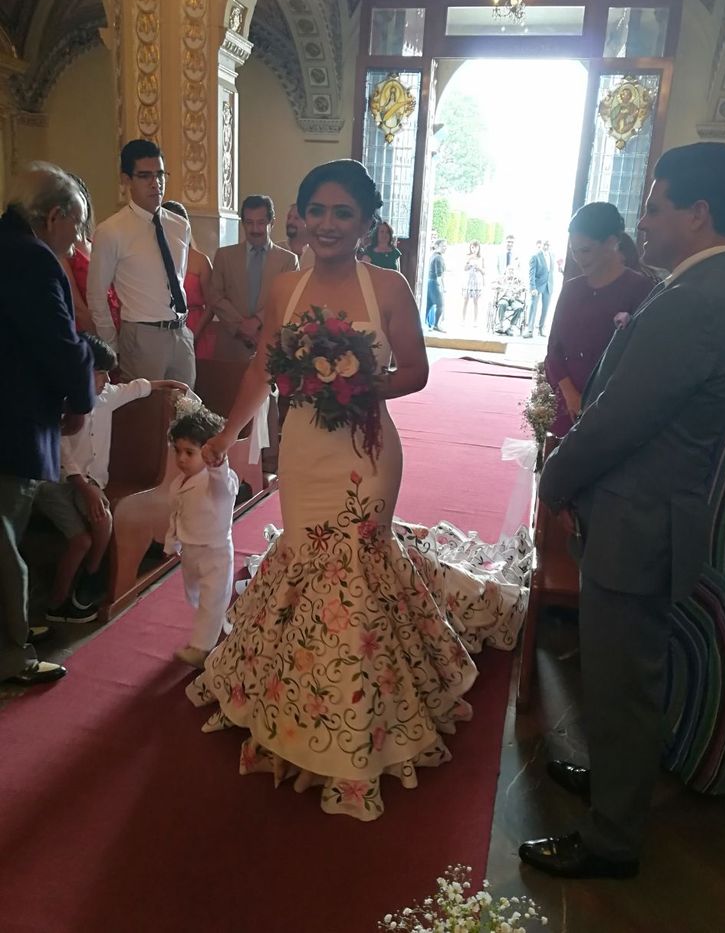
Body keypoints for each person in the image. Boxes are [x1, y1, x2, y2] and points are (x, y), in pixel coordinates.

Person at [184, 159, 523, 820]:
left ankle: (356, 725)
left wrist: (355, 384)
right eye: (319, 211)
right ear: (301, 217)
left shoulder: (389, 286)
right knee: (308, 566)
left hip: (367, 451)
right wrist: (229, 430)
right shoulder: (285, 287)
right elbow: (261, 364)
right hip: (305, 449)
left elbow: (417, 371)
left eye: (344, 213)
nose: (330, 224)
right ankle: (301, 706)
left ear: (367, 224)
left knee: (359, 571)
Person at [519, 142, 725, 878]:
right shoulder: (702, 285)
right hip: (648, 510)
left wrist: (554, 478)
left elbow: (618, 419)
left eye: (654, 205)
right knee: (620, 676)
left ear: (698, 212)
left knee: (621, 683)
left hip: (638, 519)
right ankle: (614, 782)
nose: (643, 221)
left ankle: (612, 837)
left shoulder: (698, 298)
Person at [0, 162, 95, 686]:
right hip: (10, 423)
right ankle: (11, 655)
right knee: (4, 546)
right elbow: (60, 345)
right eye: (75, 227)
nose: (76, 240)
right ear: (54, 215)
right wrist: (80, 397)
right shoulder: (32, 259)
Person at [34, 334, 187, 624]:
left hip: (89, 484)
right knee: (80, 540)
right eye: (99, 372)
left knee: (103, 520)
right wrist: (87, 489)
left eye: (107, 373)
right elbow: (62, 453)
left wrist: (167, 385)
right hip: (56, 482)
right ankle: (56, 604)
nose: (106, 379)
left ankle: (90, 578)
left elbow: (134, 389)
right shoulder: (59, 404)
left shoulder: (105, 397)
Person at [87, 138, 195, 386]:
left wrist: (185, 333)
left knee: (188, 415)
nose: (155, 183)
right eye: (145, 176)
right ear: (126, 180)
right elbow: (96, 294)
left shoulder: (179, 225)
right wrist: (111, 344)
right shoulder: (112, 231)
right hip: (142, 333)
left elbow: (177, 279)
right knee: (147, 417)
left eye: (160, 174)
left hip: (180, 331)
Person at [544, 204, 654, 436]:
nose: (579, 259)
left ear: (612, 242)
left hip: (613, 411)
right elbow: (554, 351)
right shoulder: (571, 289)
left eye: (586, 251)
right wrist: (571, 395)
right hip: (568, 407)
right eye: (574, 251)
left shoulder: (641, 289)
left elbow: (641, 362)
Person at [165, 405, 239, 669]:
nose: (182, 459)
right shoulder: (178, 484)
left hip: (215, 552)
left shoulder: (218, 482)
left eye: (190, 452)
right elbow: (176, 515)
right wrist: (171, 540)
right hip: (190, 551)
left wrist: (218, 462)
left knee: (211, 598)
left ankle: (200, 649)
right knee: (197, 596)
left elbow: (224, 484)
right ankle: (221, 628)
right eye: (178, 451)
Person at [210, 195, 298, 361]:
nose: (255, 229)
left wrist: (257, 321)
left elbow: (286, 299)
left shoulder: (288, 260)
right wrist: (241, 326)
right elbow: (215, 296)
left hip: (270, 344)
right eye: (249, 222)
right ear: (243, 223)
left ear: (272, 222)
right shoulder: (224, 256)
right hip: (231, 344)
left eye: (261, 222)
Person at [63, 173, 122, 336]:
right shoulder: (63, 250)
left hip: (113, 325)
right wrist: (104, 340)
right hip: (87, 333)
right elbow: (78, 307)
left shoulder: (95, 243)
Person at [161, 200, 217, 361]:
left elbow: (212, 303)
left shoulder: (200, 260)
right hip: (163, 326)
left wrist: (194, 334)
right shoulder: (154, 259)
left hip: (195, 325)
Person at [525, 238, 554, 337]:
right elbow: (531, 274)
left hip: (548, 286)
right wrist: (532, 288)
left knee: (545, 308)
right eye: (544, 245)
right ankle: (530, 330)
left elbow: (551, 271)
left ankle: (541, 328)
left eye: (548, 245)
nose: (546, 247)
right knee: (533, 307)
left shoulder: (552, 256)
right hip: (537, 286)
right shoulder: (535, 256)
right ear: (541, 245)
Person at [282, 202, 315, 270]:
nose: (290, 222)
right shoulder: (275, 251)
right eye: (289, 217)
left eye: (296, 218)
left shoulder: (318, 255)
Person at [425, 238, 446, 331]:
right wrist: (443, 287)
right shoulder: (438, 257)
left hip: (430, 282)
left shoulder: (433, 255)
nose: (445, 248)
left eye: (446, 246)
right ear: (437, 246)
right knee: (440, 305)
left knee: (428, 304)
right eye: (443, 246)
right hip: (435, 282)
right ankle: (436, 324)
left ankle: (423, 322)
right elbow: (439, 275)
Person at [462, 239, 485, 326]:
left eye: (476, 247)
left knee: (476, 301)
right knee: (465, 300)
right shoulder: (467, 256)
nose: (474, 249)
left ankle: (475, 321)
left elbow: (484, 272)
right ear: (470, 248)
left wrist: (479, 268)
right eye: (472, 247)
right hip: (468, 280)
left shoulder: (481, 258)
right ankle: (463, 320)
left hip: (477, 281)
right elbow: (464, 268)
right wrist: (468, 261)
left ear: (479, 248)